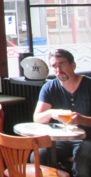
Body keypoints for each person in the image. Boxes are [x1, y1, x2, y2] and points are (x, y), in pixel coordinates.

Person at [33, 48, 91, 176]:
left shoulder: (88, 85)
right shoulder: (49, 88)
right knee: (38, 156)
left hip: (87, 138)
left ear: (73, 65)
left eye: (62, 64)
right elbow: (37, 118)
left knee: (83, 164)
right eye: (54, 66)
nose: (58, 70)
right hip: (61, 139)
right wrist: (51, 113)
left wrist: (82, 119)